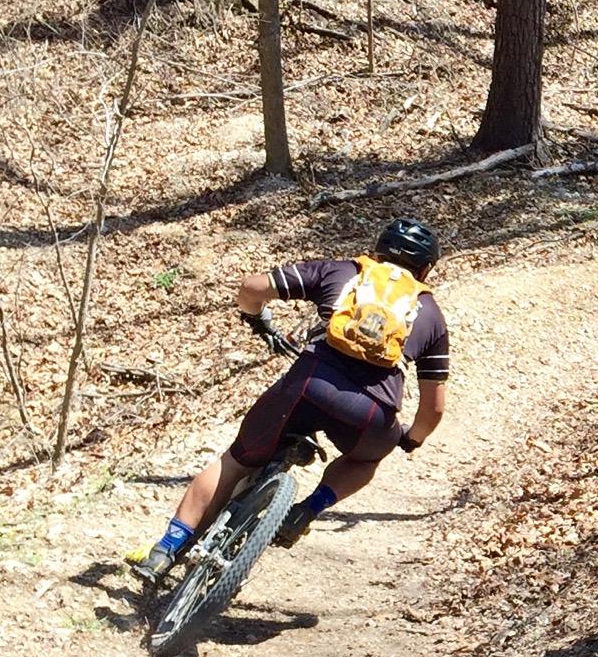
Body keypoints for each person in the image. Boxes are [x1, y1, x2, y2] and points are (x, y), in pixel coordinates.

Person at [126, 217, 449, 584]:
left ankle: (164, 550)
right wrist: (410, 439)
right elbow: (433, 408)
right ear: (425, 270)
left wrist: (257, 317)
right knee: (367, 459)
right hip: (370, 414)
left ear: (376, 250)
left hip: (307, 387)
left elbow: (252, 288)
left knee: (235, 461)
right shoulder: (432, 316)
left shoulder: (341, 272)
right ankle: (308, 510)